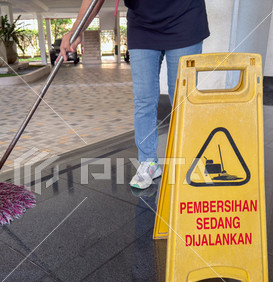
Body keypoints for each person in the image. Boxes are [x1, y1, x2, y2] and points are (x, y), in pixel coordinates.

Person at [60, 0, 209, 189]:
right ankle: (148, 162)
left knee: (183, 98)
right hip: (143, 25)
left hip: (185, 19)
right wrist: (77, 29)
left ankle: (190, 158)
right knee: (144, 99)